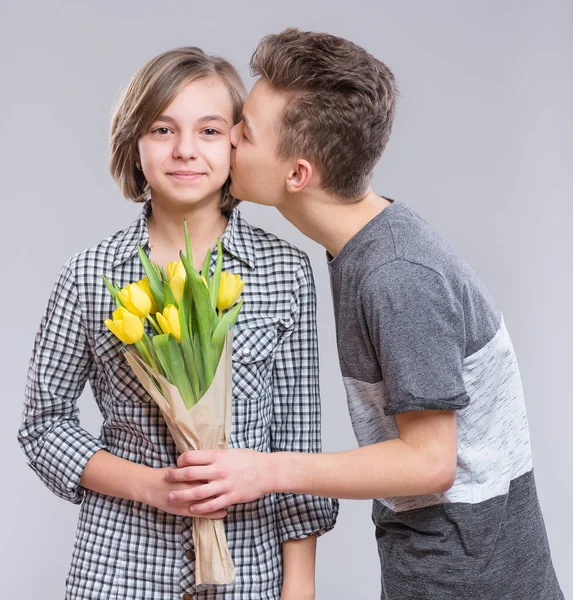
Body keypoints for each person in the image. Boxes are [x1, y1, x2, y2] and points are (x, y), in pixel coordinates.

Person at [167, 29, 564, 599]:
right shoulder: (367, 246)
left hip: (468, 583)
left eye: (244, 132)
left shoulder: (397, 275)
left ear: (298, 174)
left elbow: (430, 463)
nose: (226, 137)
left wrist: (264, 469)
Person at [18, 45, 337, 600]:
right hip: (117, 569)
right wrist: (151, 487)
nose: (186, 150)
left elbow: (298, 446)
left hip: (249, 572)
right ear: (133, 143)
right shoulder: (90, 274)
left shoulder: (285, 271)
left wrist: (300, 589)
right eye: (163, 130)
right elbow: (43, 426)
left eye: (210, 131)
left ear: (237, 144)